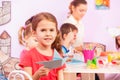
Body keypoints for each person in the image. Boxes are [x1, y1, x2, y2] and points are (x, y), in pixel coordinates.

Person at [19, 12, 65, 80]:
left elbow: (61, 78)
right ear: (34, 33)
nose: (48, 34)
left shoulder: (57, 56)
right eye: (43, 30)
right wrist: (37, 75)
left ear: (56, 33)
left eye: (51, 30)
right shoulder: (29, 56)